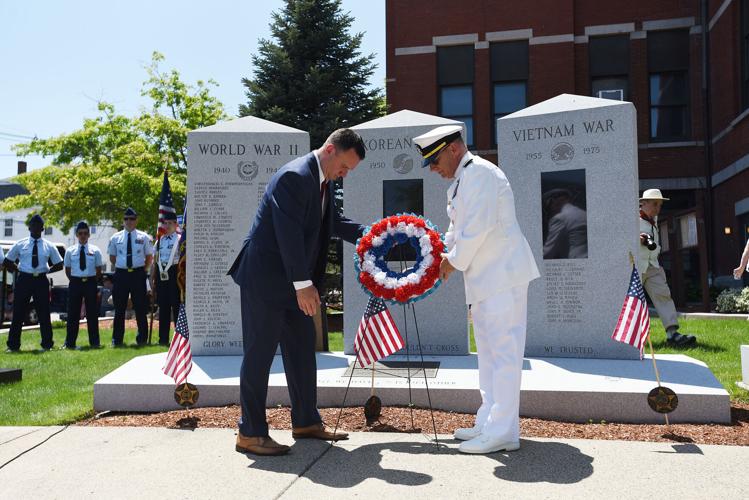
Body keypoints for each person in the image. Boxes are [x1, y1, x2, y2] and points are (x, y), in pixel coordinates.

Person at [228, 128, 366, 456]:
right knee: (259, 355)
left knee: (303, 350)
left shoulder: (321, 183)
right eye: (345, 167)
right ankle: (250, 432)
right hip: (266, 280)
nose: (344, 174)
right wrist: (304, 285)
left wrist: (373, 234)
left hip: (294, 284)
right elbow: (287, 232)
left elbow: (330, 223)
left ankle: (305, 421)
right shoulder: (294, 176)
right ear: (330, 150)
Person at [414, 125, 540, 454]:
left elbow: (478, 227)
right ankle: (489, 422)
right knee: (488, 355)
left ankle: (503, 431)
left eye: (435, 159)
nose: (433, 168)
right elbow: (457, 232)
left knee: (504, 355)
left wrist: (450, 263)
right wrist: (438, 258)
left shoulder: (480, 173)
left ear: (454, 148)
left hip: (503, 275)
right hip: (486, 279)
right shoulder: (461, 182)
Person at [638, 189, 696, 346]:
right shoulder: (632, 219)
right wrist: (639, 240)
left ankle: (672, 334)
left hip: (652, 265)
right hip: (634, 267)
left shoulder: (654, 221)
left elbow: (655, 246)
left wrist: (652, 245)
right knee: (631, 301)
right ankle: (630, 338)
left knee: (664, 295)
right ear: (643, 203)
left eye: (660, 205)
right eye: (655, 204)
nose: (658, 208)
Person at [4, 214, 63, 352]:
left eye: (39, 226)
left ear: (42, 229)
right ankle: (13, 345)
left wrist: (47, 271)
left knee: (43, 312)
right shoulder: (20, 244)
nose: (36, 228)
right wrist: (18, 268)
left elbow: (60, 264)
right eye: (33, 225)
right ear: (29, 228)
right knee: (18, 312)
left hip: (41, 280)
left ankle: (47, 344)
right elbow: (7, 261)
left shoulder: (49, 246)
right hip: (24, 279)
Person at [108, 208, 154, 347]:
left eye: (132, 219)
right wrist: (124, 267)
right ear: (123, 221)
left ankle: (142, 339)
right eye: (126, 218)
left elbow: (149, 257)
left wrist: (141, 270)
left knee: (140, 308)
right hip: (121, 275)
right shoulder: (115, 238)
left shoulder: (144, 237)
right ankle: (117, 340)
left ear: (136, 220)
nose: (129, 221)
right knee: (119, 308)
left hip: (138, 274)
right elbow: (112, 258)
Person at [63, 221, 103, 350]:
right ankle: (69, 343)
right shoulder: (70, 251)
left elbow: (98, 269)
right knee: (72, 314)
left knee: (92, 313)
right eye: (80, 233)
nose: (83, 236)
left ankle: (95, 343)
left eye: (85, 233)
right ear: (76, 235)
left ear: (89, 235)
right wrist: (76, 280)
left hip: (90, 282)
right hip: (75, 282)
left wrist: (90, 280)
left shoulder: (95, 251)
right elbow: (68, 269)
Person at [151, 212, 180, 346]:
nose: (167, 226)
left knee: (177, 306)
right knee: (163, 307)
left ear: (176, 225)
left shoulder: (180, 239)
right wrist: (152, 277)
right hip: (162, 275)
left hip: (176, 274)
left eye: (170, 223)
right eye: (165, 223)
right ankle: (163, 339)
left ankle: (179, 339)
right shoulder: (159, 241)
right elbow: (154, 261)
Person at [542, 188, 588, 259]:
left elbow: (548, 253)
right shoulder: (584, 214)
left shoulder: (559, 218)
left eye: (548, 206)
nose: (550, 210)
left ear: (553, 201)